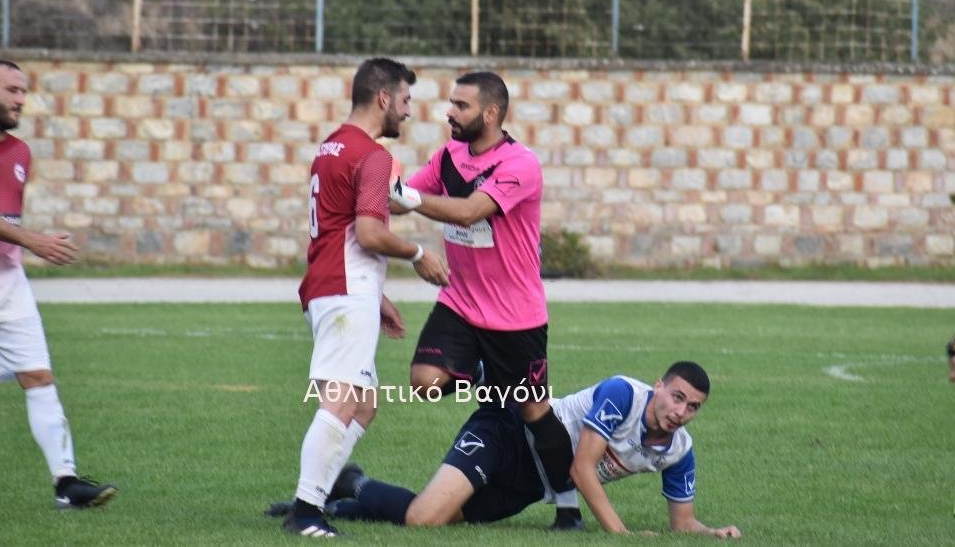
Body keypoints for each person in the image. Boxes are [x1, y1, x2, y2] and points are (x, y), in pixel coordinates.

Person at [388, 71, 579, 527]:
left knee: (534, 411)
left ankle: (569, 509)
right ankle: (476, 370)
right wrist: (381, 178)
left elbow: (471, 209)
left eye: (461, 106)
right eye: (451, 103)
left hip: (516, 318)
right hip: (460, 303)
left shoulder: (520, 165)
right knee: (424, 381)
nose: (449, 112)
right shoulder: (449, 154)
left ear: (491, 114)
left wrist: (407, 196)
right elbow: (402, 199)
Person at [282, 57, 449, 538]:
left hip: (339, 286)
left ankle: (322, 488)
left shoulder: (331, 145)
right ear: (383, 99)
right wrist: (419, 253)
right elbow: (370, 234)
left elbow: (340, 229)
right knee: (340, 402)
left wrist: (377, 296)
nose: (409, 111)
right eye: (405, 100)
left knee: (365, 404)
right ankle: (306, 510)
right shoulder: (372, 155)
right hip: (342, 290)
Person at [308, 361, 741, 539]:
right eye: (678, 397)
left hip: (530, 484)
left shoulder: (679, 450)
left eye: (693, 407)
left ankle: (348, 494)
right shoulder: (624, 394)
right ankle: (353, 485)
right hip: (509, 432)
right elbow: (582, 468)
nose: (681, 411)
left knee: (437, 519)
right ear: (660, 386)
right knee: (426, 517)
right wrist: (621, 534)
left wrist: (712, 533)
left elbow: (682, 523)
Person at [0, 59, 117, 509]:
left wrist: (27, 246)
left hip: (10, 291)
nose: (22, 99)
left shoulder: (21, 152)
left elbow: (2, 219)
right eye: (12, 90)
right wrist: (33, 241)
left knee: (40, 378)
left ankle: (66, 481)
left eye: (24, 91)